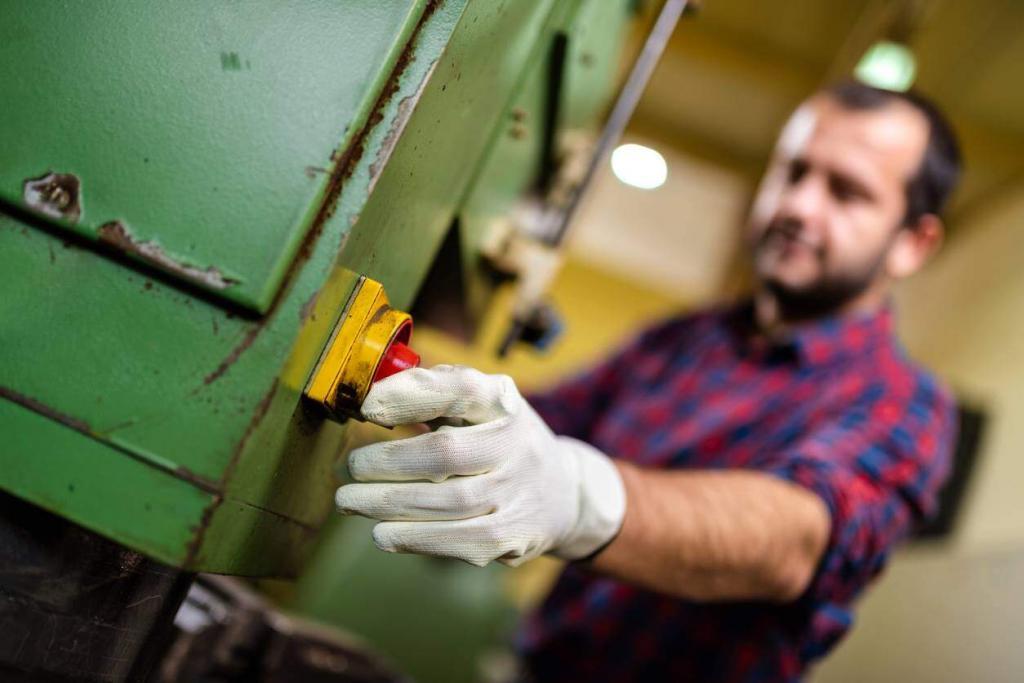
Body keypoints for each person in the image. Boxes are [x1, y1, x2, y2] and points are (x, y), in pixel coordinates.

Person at [334, 80, 962, 681]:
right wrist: (373, 366)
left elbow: (795, 538)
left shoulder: (904, 403)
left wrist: (583, 497)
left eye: (847, 193)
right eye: (793, 171)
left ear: (911, 243)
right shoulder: (689, 337)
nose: (798, 206)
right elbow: (530, 430)